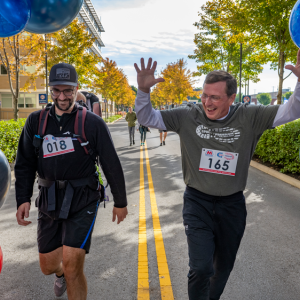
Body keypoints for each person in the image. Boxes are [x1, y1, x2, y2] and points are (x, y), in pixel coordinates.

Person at [134, 53, 300, 300]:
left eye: (214, 97)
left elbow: (291, 110)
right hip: (197, 201)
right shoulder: (188, 115)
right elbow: (148, 118)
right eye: (204, 95)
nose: (207, 102)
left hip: (231, 205)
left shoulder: (250, 116)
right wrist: (143, 92)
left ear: (231, 98)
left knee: (222, 270)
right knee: (201, 267)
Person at [15, 63, 128, 300]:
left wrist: (120, 200)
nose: (62, 96)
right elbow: (24, 163)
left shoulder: (92, 123)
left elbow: (111, 163)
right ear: (51, 89)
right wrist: (22, 199)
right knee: (48, 266)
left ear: (76, 89)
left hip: (82, 198)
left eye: (68, 91)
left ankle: (67, 275)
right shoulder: (36, 121)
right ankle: (60, 275)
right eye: (56, 90)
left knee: (73, 266)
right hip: (48, 199)